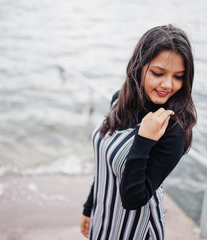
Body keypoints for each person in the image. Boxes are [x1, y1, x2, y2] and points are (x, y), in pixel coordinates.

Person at [79, 24, 197, 240]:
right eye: (158, 73)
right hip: (104, 219)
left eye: (178, 76)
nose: (168, 84)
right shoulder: (120, 101)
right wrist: (89, 207)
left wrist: (144, 139)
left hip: (136, 230)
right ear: (139, 66)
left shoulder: (172, 129)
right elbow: (105, 163)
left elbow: (134, 199)